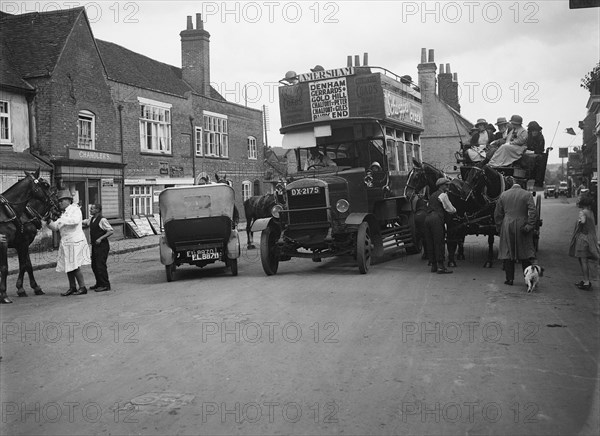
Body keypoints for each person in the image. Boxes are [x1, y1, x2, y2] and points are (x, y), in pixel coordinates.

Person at [47, 190, 90, 296]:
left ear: (68, 200)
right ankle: (72, 287)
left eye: (62, 201)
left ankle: (83, 287)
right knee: (68, 265)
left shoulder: (75, 210)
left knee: (74, 265)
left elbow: (74, 221)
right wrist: (47, 221)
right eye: (59, 201)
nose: (60, 203)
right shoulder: (64, 213)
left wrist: (61, 220)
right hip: (66, 242)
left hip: (75, 241)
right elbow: (56, 227)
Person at [494, 183, 537, 286]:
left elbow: (498, 213)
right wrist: (529, 225)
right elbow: (533, 212)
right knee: (525, 253)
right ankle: (528, 280)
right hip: (522, 224)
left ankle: (509, 279)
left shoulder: (504, 195)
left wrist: (500, 227)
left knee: (508, 252)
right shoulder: (527, 195)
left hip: (507, 225)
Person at [424, 178, 457, 274]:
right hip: (436, 219)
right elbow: (450, 209)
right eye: (446, 185)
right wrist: (456, 211)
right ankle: (441, 267)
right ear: (441, 186)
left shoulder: (432, 195)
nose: (448, 187)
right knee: (439, 242)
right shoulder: (443, 195)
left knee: (430, 242)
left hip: (427, 218)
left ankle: (433, 266)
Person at [569, 193, 599, 291]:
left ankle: (586, 281)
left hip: (583, 238)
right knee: (584, 260)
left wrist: (578, 221)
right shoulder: (590, 212)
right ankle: (585, 280)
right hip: (590, 237)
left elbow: (582, 222)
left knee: (583, 260)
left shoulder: (583, 212)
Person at [82, 204, 113, 292]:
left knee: (100, 265)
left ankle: (105, 285)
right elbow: (84, 222)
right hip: (95, 246)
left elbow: (110, 231)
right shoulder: (91, 219)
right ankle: (99, 283)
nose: (90, 210)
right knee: (94, 265)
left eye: (92, 209)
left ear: (97, 210)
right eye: (90, 209)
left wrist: (100, 238)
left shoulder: (102, 220)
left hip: (102, 246)